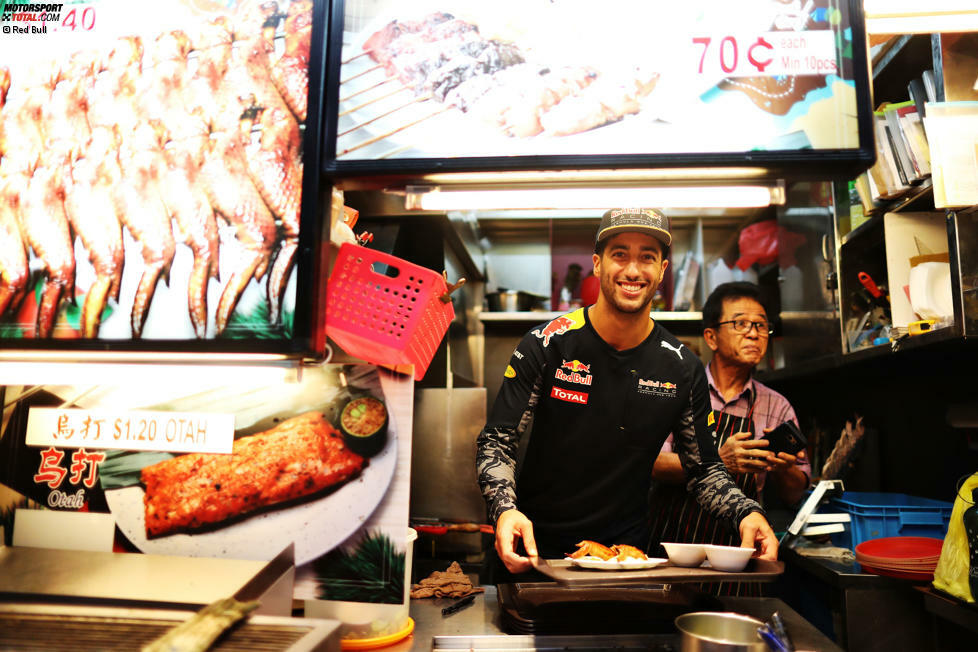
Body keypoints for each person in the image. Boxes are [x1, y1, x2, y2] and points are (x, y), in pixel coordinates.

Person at [476, 208, 779, 578]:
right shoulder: (546, 344)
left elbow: (703, 470)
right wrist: (505, 509)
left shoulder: (681, 366)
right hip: (534, 552)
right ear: (598, 265)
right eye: (620, 254)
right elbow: (497, 441)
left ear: (663, 271)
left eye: (647, 257)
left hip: (628, 560)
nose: (633, 271)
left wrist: (747, 511)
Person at [647, 281, 810, 593]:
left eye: (761, 325)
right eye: (740, 323)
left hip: (738, 557)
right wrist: (718, 461)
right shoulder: (677, 392)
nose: (753, 333)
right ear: (711, 337)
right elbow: (651, 464)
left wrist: (783, 467)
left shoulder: (777, 406)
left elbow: (794, 494)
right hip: (673, 554)